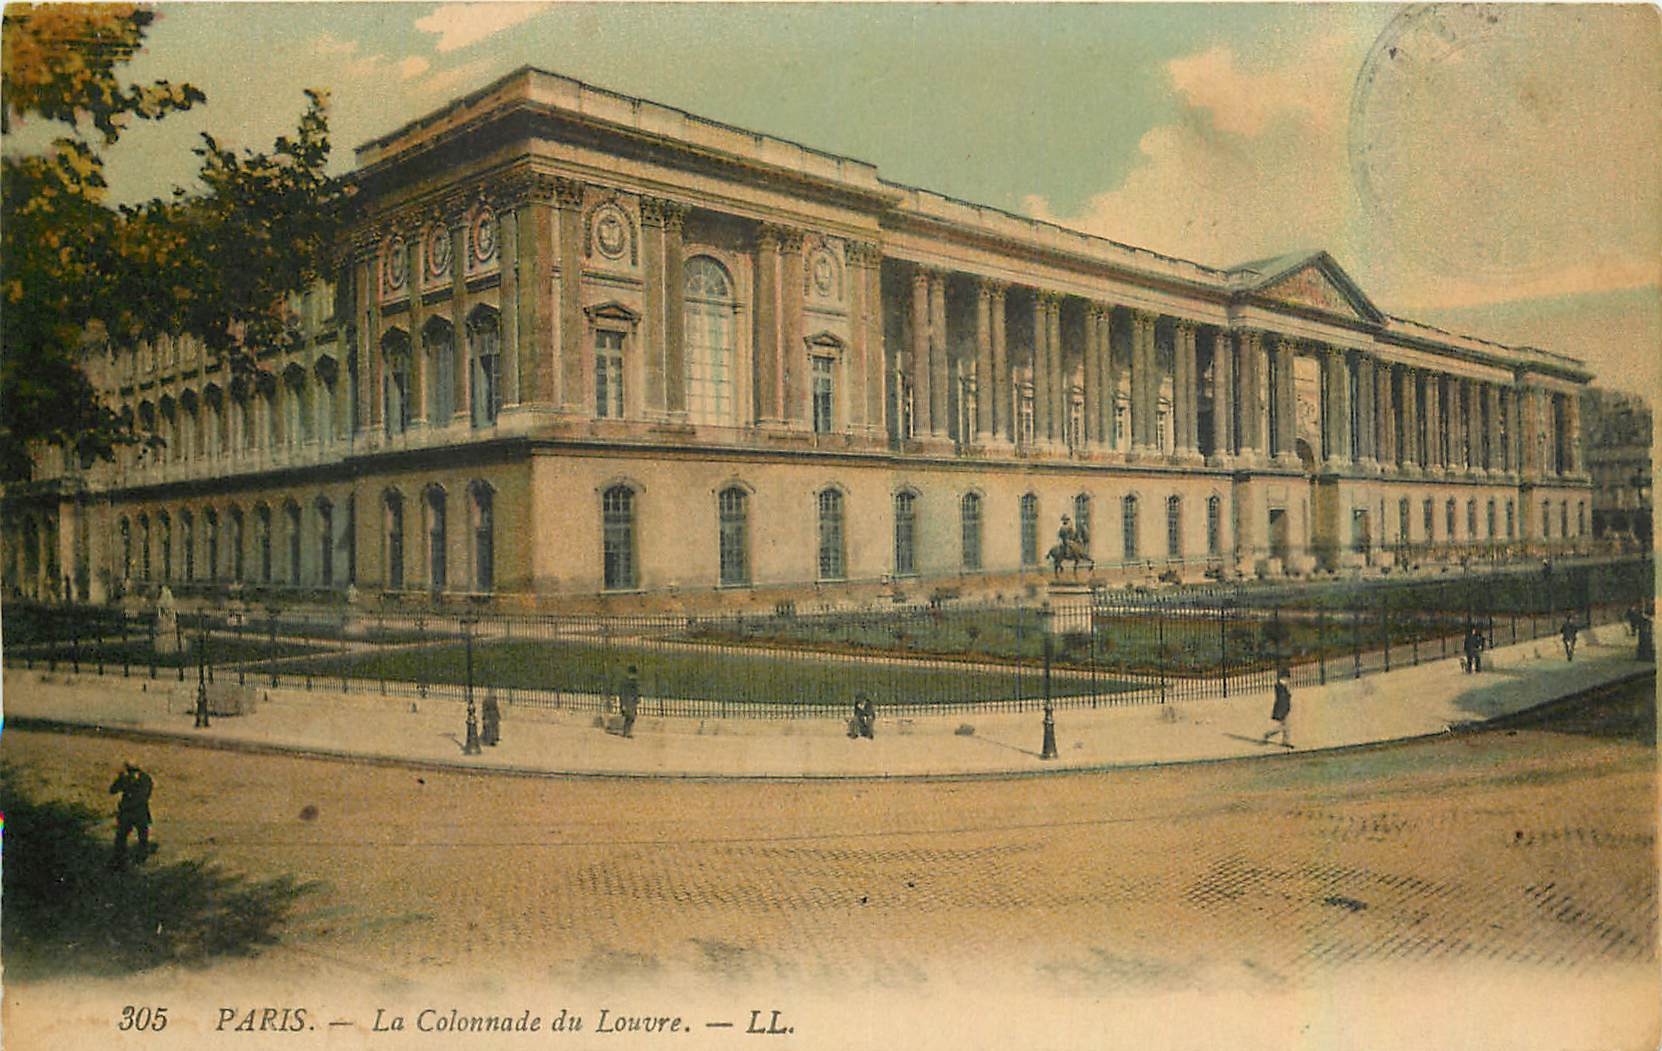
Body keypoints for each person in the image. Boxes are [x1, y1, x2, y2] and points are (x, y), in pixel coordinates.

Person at [109, 760, 154, 869]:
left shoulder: (145, 779)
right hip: (130, 812)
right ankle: (120, 860)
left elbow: (144, 796)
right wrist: (119, 779)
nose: (131, 772)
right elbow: (112, 790)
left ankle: (141, 859)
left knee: (142, 837)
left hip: (137, 812)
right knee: (121, 837)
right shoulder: (126, 779)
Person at [1262, 673, 1292, 748]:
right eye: (1287, 678)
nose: (1288, 680)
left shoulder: (1282, 687)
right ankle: (1268, 734)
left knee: (1286, 725)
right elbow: (1283, 699)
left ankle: (1285, 741)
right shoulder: (1281, 687)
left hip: (1283, 708)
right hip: (1282, 709)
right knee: (1284, 726)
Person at [619, 665, 640, 738]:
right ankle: (626, 732)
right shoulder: (627, 682)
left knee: (631, 717)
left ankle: (627, 731)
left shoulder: (633, 682)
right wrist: (623, 703)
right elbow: (624, 692)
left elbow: (636, 692)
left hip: (632, 701)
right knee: (629, 717)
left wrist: (637, 698)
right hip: (628, 700)